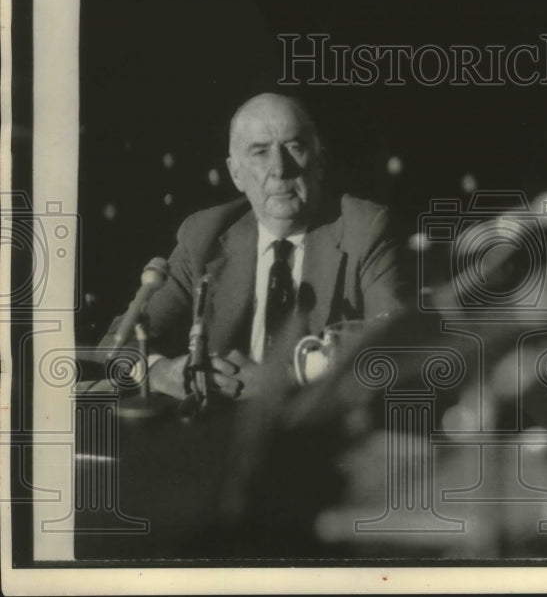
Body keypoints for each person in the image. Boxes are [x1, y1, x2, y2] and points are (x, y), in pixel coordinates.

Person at [100, 92, 406, 401]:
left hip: (321, 424)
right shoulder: (204, 235)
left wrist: (289, 377)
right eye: (260, 152)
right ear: (235, 173)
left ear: (320, 162)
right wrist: (160, 372)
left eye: (294, 147)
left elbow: (400, 344)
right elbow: (116, 344)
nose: (279, 168)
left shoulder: (365, 228)